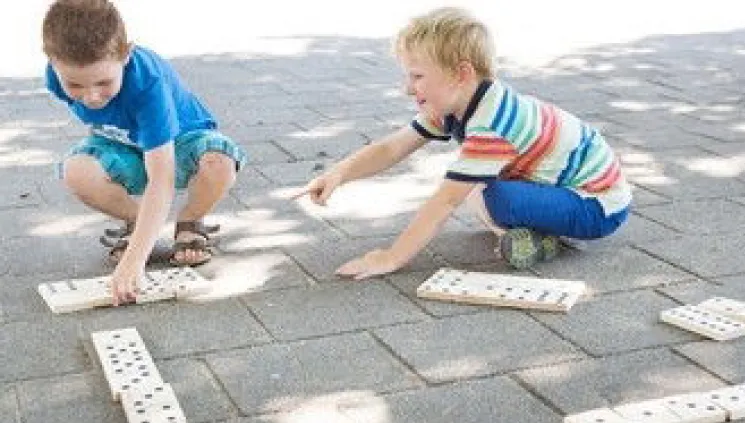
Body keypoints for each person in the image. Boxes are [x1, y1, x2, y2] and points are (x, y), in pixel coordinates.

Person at [294, 6, 631, 279]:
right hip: (569, 189)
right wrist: (339, 173)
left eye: (418, 76)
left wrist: (391, 258)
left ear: (462, 73)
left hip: (597, 206)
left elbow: (444, 203)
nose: (407, 89)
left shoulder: (492, 125)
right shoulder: (458, 101)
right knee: (472, 180)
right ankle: (533, 234)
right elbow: (392, 147)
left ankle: (542, 239)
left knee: (479, 189)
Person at [42, 0, 246, 304]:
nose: (91, 96)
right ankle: (140, 224)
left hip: (180, 141)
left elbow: (161, 179)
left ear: (125, 55)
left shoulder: (147, 84)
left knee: (219, 163)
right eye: (75, 85)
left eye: (103, 82)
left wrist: (134, 261)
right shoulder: (56, 77)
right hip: (123, 144)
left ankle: (189, 222)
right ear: (53, 62)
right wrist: (140, 245)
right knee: (76, 171)